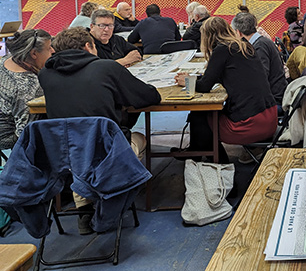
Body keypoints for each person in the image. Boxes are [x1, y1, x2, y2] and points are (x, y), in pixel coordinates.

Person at [39, 27, 161, 234]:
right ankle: (112, 199)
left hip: (63, 155)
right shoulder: (106, 68)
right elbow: (148, 97)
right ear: (88, 46)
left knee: (80, 153)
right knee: (139, 138)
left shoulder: (45, 74)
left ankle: (84, 210)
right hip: (107, 153)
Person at [173, 17, 277, 160]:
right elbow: (212, 78)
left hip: (249, 124)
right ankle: (197, 153)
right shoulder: (243, 45)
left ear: (207, 36)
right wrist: (192, 79)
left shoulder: (222, 50)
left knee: (199, 116)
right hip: (269, 117)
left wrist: (187, 81)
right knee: (206, 116)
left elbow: (204, 86)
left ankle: (217, 162)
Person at [0, 29, 53, 150]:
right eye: (49, 48)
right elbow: (24, 133)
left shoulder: (6, 60)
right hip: (6, 136)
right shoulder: (28, 86)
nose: (53, 51)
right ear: (34, 54)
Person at [232, 12, 287, 106]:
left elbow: (261, 77)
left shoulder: (260, 47)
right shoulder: (262, 42)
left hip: (273, 100)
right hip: (274, 95)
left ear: (239, 32)